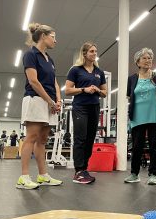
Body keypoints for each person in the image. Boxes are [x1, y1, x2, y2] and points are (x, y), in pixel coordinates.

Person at [16, 22, 63, 190]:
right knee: (32, 137)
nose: (55, 41)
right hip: (35, 99)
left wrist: (57, 100)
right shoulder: (31, 54)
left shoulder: (49, 59)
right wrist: (49, 101)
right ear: (43, 36)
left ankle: (43, 175)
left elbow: (55, 82)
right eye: (53, 37)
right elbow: (33, 81)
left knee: (43, 140)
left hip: (49, 102)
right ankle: (23, 177)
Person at [65, 42, 107, 184]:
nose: (94, 54)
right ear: (84, 54)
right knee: (80, 138)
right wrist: (84, 89)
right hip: (80, 107)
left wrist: (98, 90)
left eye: (95, 51)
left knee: (90, 139)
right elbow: (68, 90)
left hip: (94, 107)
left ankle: (84, 169)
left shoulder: (99, 72)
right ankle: (78, 171)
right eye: (91, 51)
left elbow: (105, 93)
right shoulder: (75, 70)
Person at [125, 47, 156, 185]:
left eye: (150, 58)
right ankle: (134, 174)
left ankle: (153, 174)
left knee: (154, 146)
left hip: (154, 116)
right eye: (144, 58)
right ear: (137, 62)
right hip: (138, 116)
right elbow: (129, 98)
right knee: (137, 146)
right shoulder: (132, 79)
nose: (148, 60)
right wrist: (128, 118)